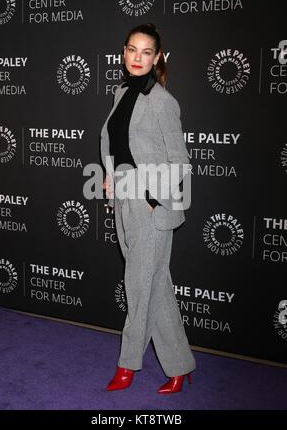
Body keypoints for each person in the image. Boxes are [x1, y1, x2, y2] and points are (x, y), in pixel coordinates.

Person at [100, 23, 195, 394]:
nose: (137, 58)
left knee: (139, 286)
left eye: (145, 52)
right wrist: (111, 177)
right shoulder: (121, 92)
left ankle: (127, 366)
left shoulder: (163, 101)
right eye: (131, 50)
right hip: (124, 198)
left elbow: (180, 161)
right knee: (157, 288)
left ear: (157, 58)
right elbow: (115, 143)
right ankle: (180, 366)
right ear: (124, 53)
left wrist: (157, 200)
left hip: (150, 205)